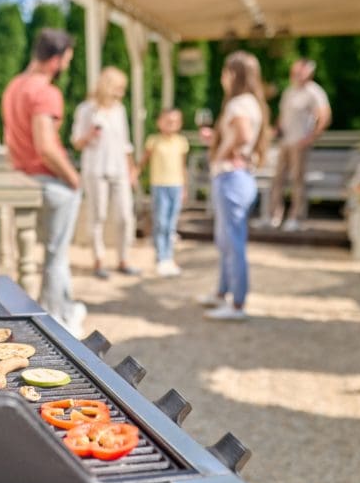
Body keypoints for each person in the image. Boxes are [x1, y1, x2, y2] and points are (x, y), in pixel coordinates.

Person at [1, 28, 86, 337]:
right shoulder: (45, 92)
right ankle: (58, 319)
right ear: (56, 59)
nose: (66, 66)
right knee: (56, 254)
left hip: (23, 180)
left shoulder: (13, 87)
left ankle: (64, 307)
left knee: (45, 253)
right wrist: (74, 178)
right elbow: (47, 147)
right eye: (67, 60)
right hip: (49, 183)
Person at [197, 51, 270, 320]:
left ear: (233, 74)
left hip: (231, 177)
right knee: (227, 241)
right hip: (238, 178)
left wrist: (221, 152)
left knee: (233, 243)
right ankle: (222, 294)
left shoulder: (239, 103)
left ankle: (237, 304)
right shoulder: (252, 103)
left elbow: (243, 135)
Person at [71, 66, 139, 280]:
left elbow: (125, 143)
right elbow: (76, 142)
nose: (122, 92)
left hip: (118, 169)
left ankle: (123, 258)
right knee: (97, 215)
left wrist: (131, 169)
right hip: (96, 169)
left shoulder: (120, 110)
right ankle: (99, 259)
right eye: (119, 87)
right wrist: (89, 135)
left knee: (125, 216)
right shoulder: (86, 110)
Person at [267, 58, 331, 231]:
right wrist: (275, 130)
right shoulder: (289, 91)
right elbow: (283, 115)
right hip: (285, 142)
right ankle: (275, 216)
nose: (295, 74)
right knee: (277, 179)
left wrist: (310, 138)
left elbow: (324, 116)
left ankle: (296, 217)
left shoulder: (314, 92)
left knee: (297, 180)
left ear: (308, 72)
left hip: (299, 143)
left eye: (299, 71)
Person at [138, 108, 189, 277]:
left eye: (175, 122)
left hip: (176, 185)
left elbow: (183, 167)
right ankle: (161, 258)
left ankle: (169, 257)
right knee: (161, 222)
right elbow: (144, 161)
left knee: (171, 224)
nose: (171, 124)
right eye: (168, 121)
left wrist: (185, 187)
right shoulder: (154, 141)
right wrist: (135, 172)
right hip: (159, 185)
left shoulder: (181, 142)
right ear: (160, 123)